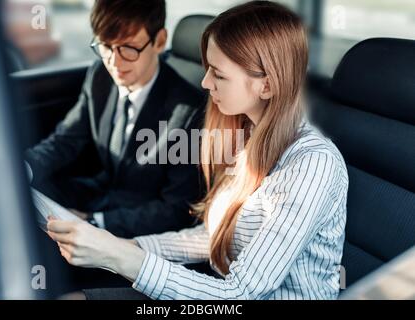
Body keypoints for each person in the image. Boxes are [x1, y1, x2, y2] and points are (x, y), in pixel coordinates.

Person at [47, 1, 349, 300]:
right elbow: (212, 239)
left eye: (218, 74)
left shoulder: (312, 164)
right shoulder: (244, 138)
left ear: (266, 86)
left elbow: (239, 293)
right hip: (212, 286)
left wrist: (119, 256)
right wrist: (128, 246)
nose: (205, 83)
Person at [26, 0, 206, 238]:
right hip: (99, 191)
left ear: (160, 41)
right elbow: (65, 140)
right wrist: (23, 168)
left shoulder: (188, 111)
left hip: (140, 225)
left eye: (128, 48)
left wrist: (93, 222)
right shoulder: (99, 76)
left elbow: (177, 209)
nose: (114, 62)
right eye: (106, 46)